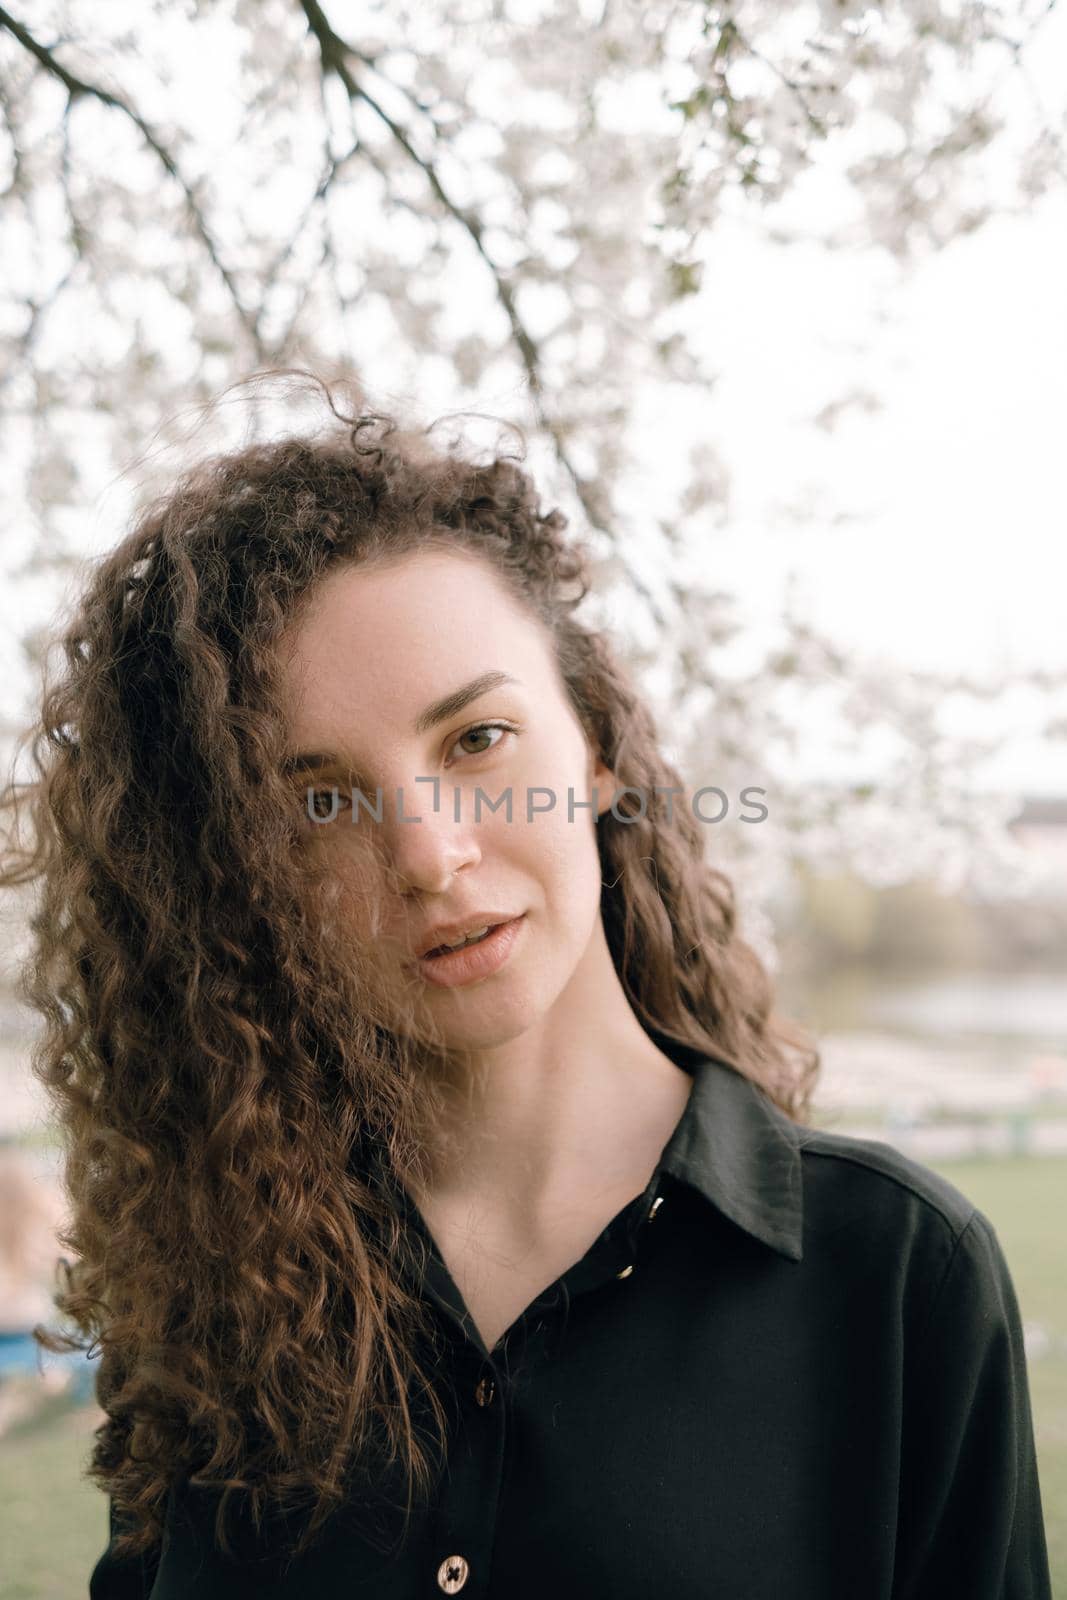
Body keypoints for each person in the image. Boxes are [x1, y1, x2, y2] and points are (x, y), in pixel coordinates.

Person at [2, 373, 1050, 1598]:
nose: (429, 857)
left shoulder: (896, 1279)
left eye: (476, 740)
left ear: (594, 746)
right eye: (320, 800)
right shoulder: (216, 1281)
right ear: (246, 874)